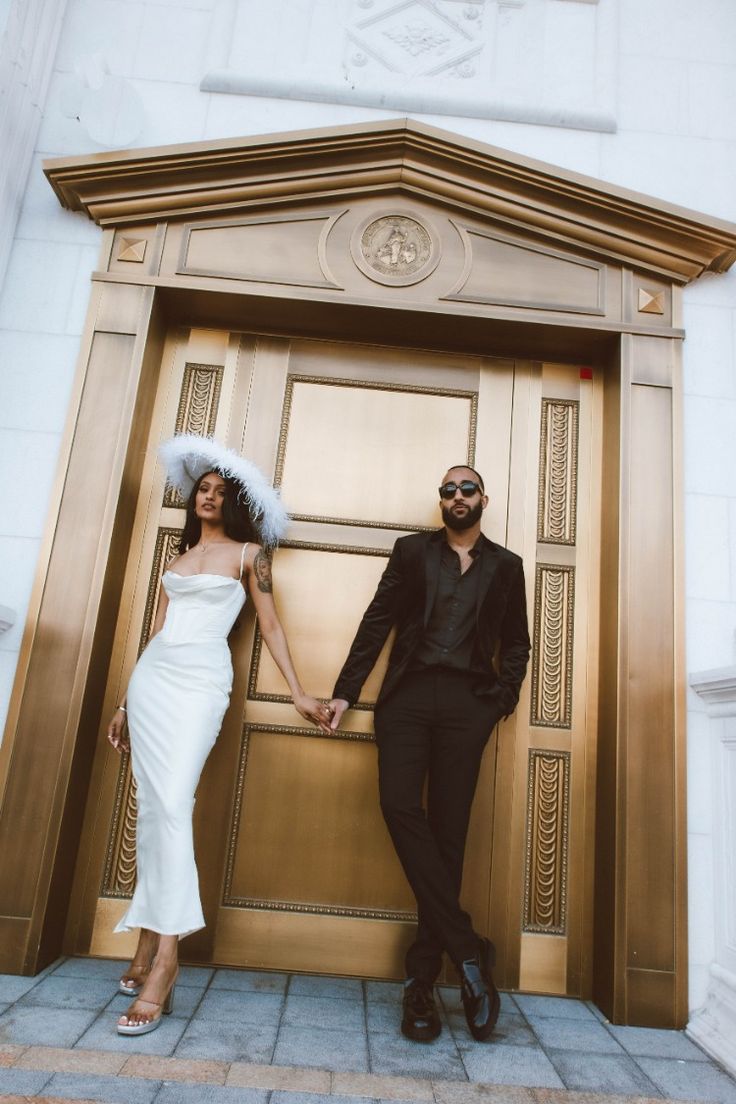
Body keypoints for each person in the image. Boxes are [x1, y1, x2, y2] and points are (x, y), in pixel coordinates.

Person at [107, 434, 332, 1036]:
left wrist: (298, 691)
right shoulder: (175, 561)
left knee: (172, 805)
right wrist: (127, 702)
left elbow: (272, 627)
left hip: (202, 682)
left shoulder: (249, 555)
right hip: (154, 683)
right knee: (153, 811)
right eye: (202, 489)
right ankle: (148, 948)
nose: (208, 496)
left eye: (220, 492)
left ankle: (166, 962)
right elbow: (155, 635)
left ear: (233, 504)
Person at [328, 466, 530, 1043]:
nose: (457, 496)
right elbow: (377, 621)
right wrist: (346, 691)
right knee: (397, 805)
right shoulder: (412, 553)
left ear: (484, 499)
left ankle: (421, 982)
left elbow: (517, 642)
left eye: (467, 489)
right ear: (441, 501)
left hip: (469, 704)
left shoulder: (507, 566)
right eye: (448, 490)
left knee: (448, 837)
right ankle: (468, 952)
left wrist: (500, 701)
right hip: (409, 697)